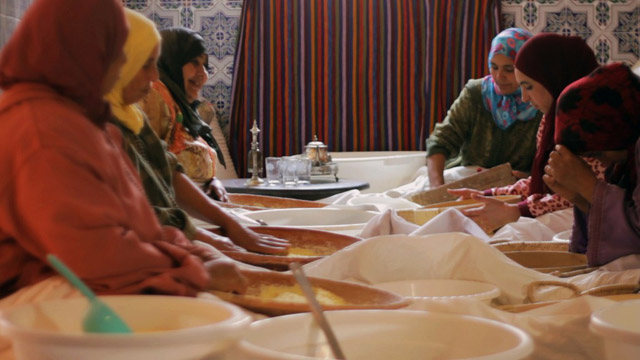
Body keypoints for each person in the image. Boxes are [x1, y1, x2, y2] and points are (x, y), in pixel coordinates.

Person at [0, 0, 246, 301]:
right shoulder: (40, 131)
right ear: (85, 53)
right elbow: (91, 254)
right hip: (42, 300)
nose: (153, 76)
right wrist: (194, 269)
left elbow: (137, 223)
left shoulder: (87, 123)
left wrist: (191, 251)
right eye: (121, 54)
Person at [107, 9, 289, 254]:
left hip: (181, 221)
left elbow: (169, 168)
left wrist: (228, 222)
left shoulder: (132, 113)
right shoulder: (133, 108)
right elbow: (133, 211)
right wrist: (209, 239)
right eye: (146, 64)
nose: (154, 76)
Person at [448, 33, 605, 232]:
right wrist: (487, 194)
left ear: (555, 78)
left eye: (528, 87)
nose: (523, 98)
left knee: (510, 235)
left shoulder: (595, 126)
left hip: (587, 216)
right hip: (560, 208)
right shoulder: (550, 121)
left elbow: (581, 197)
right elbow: (540, 184)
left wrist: (517, 211)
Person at [544, 63, 640, 266]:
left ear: (618, 129)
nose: (602, 162)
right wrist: (578, 197)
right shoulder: (625, 159)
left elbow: (635, 239)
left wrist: (590, 187)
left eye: (598, 152)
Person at [426, 28, 542, 188]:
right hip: (467, 179)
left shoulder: (540, 101)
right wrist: (436, 188)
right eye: (494, 67)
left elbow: (549, 163)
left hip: (515, 188)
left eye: (509, 69)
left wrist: (529, 177)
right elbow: (440, 141)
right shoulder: (475, 93)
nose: (499, 77)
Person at [140, 27, 227, 201]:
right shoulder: (155, 95)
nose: (203, 74)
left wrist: (212, 182)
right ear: (172, 61)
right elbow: (150, 171)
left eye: (205, 65)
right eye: (194, 62)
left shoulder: (184, 109)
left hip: (197, 212)